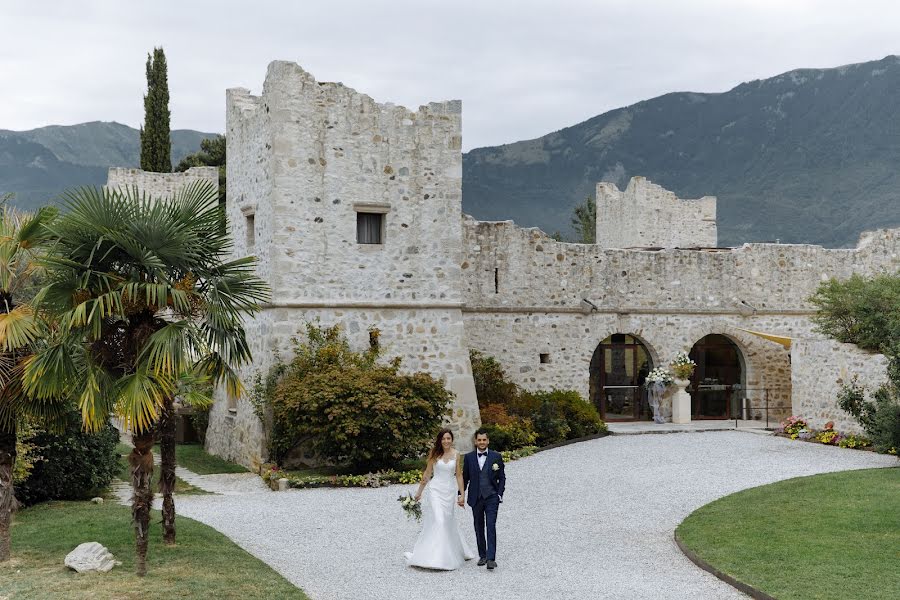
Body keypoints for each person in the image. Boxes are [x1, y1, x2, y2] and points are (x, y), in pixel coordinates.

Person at [404, 429, 475, 570]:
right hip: (435, 491)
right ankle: (436, 558)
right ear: (440, 440)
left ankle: (450, 553)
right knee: (439, 520)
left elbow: (459, 475)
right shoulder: (434, 454)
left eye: (448, 438)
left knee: (447, 522)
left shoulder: (456, 454)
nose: (446, 441)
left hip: (449, 492)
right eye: (443, 439)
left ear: (452, 440)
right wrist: (419, 492)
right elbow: (427, 473)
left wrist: (462, 494)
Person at [462, 429, 506, 570]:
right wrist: (460, 494)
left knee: (491, 526)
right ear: (475, 441)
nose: (482, 442)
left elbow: (502, 477)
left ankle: (491, 558)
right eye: (479, 440)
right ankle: (482, 555)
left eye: (484, 440)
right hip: (476, 497)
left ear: (488, 441)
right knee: (478, 526)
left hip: (492, 497)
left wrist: (499, 494)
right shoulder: (469, 458)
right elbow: (465, 478)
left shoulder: (496, 456)